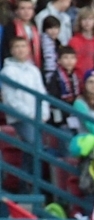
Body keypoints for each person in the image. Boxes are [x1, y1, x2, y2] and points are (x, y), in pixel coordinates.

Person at [0, 37, 50, 189]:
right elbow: (11, 99)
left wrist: (43, 114)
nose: (21, 49)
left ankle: (27, 185)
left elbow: (42, 93)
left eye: (23, 46)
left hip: (37, 118)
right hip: (19, 119)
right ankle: (27, 185)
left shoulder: (34, 70)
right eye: (17, 46)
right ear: (12, 50)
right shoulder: (7, 71)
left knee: (34, 150)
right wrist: (31, 115)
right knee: (34, 146)